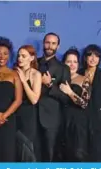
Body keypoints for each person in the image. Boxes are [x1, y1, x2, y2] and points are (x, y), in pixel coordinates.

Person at [37, 32, 71, 162]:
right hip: (31, 117)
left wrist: (50, 84)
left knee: (49, 157)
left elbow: (65, 98)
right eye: (47, 42)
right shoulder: (33, 63)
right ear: (43, 43)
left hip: (51, 120)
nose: (49, 46)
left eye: (53, 43)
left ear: (58, 46)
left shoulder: (63, 69)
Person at [77, 44, 101, 162]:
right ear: (85, 57)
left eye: (96, 56)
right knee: (81, 153)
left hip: (98, 120)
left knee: (97, 153)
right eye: (90, 55)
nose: (93, 59)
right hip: (81, 119)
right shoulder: (79, 73)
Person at [59, 48, 91, 161]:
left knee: (77, 154)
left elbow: (84, 103)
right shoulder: (59, 79)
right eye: (69, 61)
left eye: (75, 62)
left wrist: (70, 92)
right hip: (61, 120)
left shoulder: (84, 79)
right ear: (63, 63)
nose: (72, 64)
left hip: (77, 123)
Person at [14, 44, 42, 162]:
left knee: (27, 151)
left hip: (28, 117)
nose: (20, 58)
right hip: (14, 115)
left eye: (24, 56)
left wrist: (24, 81)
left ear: (32, 58)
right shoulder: (13, 72)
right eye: (19, 55)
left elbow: (34, 99)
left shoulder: (36, 74)